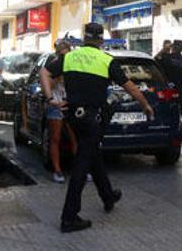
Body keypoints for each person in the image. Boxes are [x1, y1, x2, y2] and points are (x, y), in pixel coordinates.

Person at [41, 23, 154, 233]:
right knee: (82, 166)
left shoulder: (70, 57)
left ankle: (108, 195)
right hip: (94, 119)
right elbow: (129, 86)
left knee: (92, 154)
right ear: (101, 40)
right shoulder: (106, 60)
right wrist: (145, 105)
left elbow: (44, 72)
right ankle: (69, 217)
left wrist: (50, 98)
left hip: (74, 116)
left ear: (84, 38)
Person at [40, 40, 77, 184]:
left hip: (70, 104)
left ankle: (79, 169)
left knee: (75, 138)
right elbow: (45, 84)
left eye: (66, 52)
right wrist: (57, 78)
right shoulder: (53, 66)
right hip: (56, 104)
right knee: (55, 138)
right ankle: (57, 170)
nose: (64, 55)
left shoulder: (73, 64)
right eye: (61, 53)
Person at [160, 40, 182, 114]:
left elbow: (155, 59)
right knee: (179, 113)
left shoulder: (166, 57)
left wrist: (164, 49)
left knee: (167, 111)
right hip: (181, 90)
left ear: (173, 47)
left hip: (168, 89)